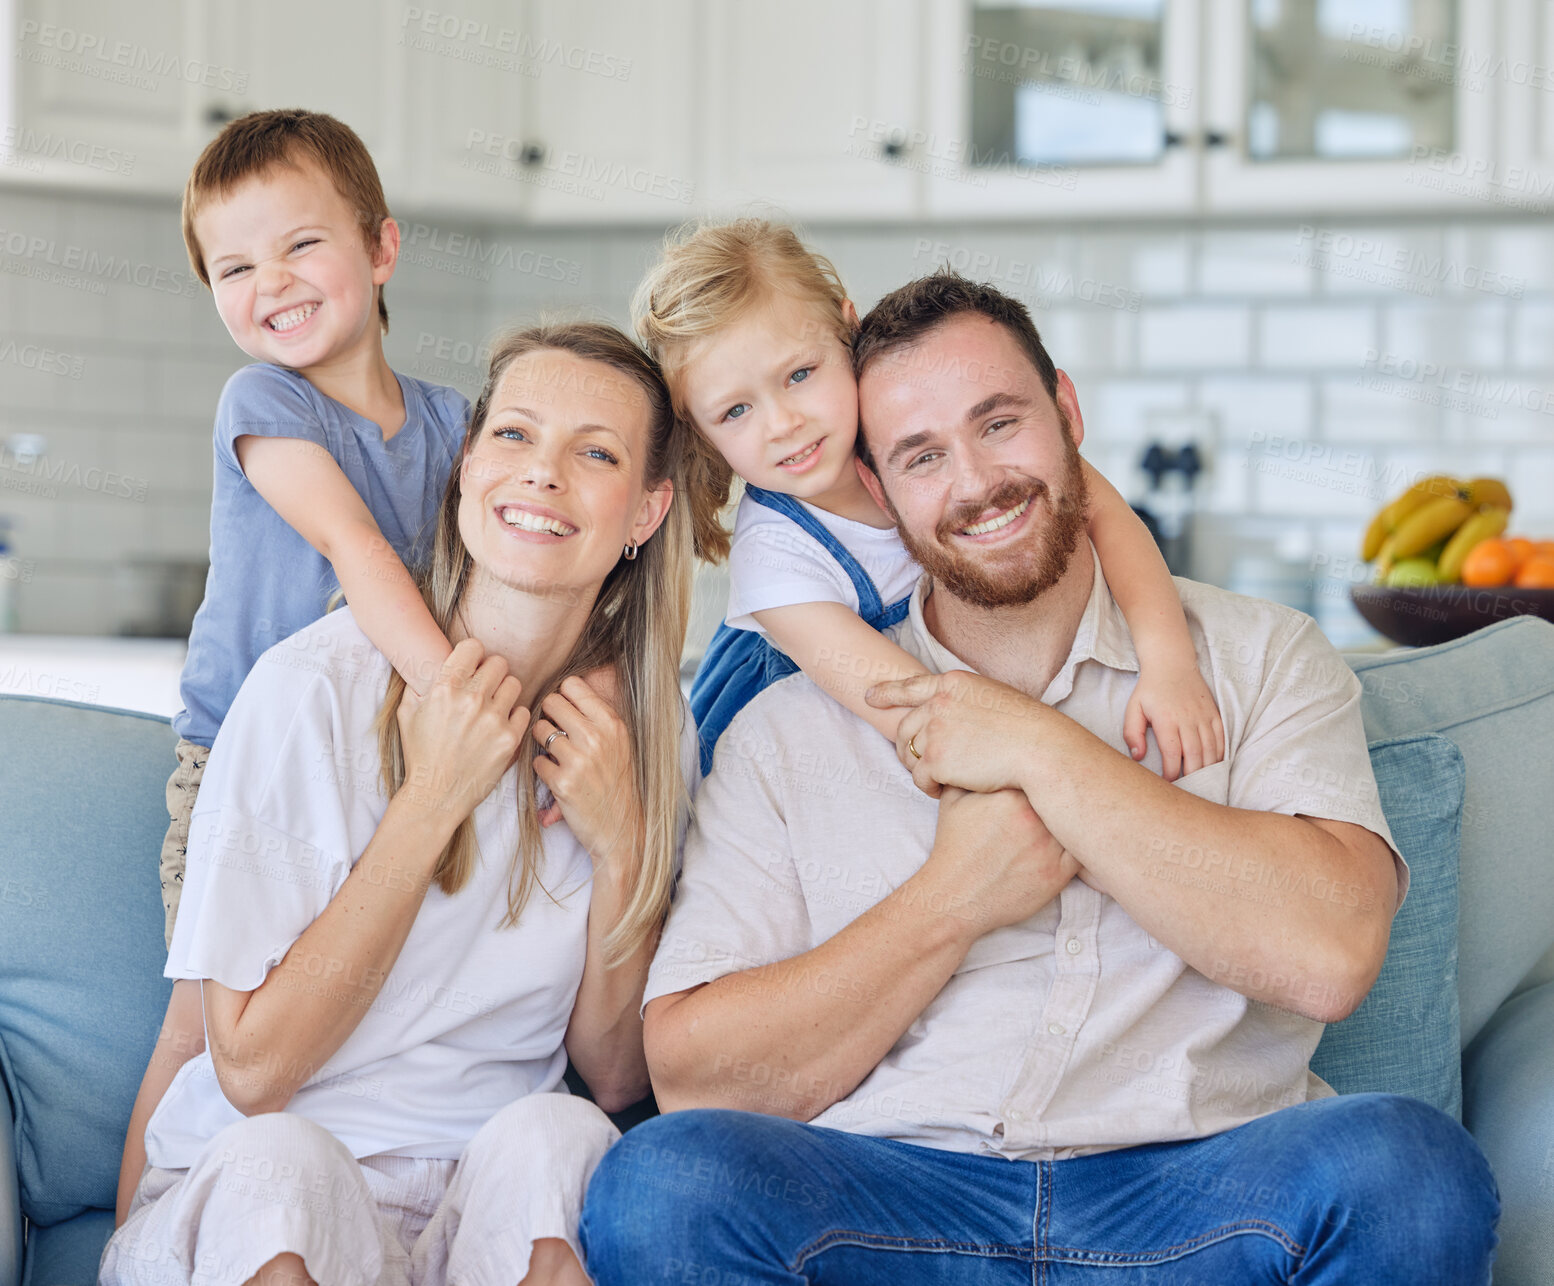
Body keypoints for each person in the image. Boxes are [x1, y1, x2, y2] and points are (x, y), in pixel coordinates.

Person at [581, 273, 1500, 1284]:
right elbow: (691, 1075)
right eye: (923, 456)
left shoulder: (1260, 654)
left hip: (1203, 1194)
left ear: (1066, 411)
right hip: (897, 1202)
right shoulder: (784, 728)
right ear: (876, 487)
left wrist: (1038, 747)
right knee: (660, 1182)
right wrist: (951, 900)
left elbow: (1330, 953)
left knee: (1408, 1168)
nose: (976, 481)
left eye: (1000, 423)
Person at [101, 323, 698, 1286]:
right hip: (262, 1189)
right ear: (465, 470)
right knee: (284, 1164)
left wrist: (625, 848)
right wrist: (431, 802)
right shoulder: (310, 691)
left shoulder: (649, 736)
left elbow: (621, 1076)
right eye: (513, 436)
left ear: (646, 511)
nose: (542, 474)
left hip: (471, 1209)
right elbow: (252, 1075)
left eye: (596, 453)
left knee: (564, 1134)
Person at [121, 109, 473, 1223]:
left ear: (381, 248)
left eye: (299, 244)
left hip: (376, 771)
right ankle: (136, 1239)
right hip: (237, 766)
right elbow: (358, 551)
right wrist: (471, 709)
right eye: (232, 265)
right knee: (196, 1027)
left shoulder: (458, 425)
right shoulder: (263, 401)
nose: (268, 281)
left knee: (358, 1010)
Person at [633, 218, 1223, 781]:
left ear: (847, 330)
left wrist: (1170, 664)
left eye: (799, 375)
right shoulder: (774, 558)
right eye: (736, 411)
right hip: (840, 753)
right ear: (700, 431)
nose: (783, 423)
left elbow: (1108, 515)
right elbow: (919, 710)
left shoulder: (925, 424)